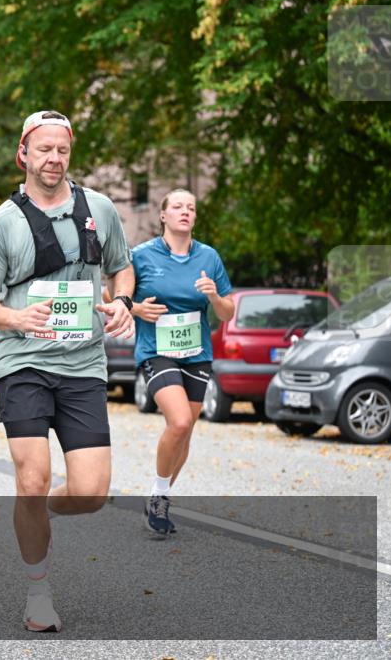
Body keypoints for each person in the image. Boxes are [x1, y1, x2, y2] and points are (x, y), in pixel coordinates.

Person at [0, 110, 135, 632]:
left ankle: (38, 511)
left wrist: (123, 302)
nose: (54, 159)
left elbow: (121, 268)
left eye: (62, 150)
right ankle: (38, 593)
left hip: (83, 364)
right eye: (44, 149)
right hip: (23, 362)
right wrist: (16, 318)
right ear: (23, 153)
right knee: (33, 476)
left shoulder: (99, 208)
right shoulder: (4, 222)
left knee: (91, 493)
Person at [131, 188, 234, 536]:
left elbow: (228, 311)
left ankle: (157, 496)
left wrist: (214, 296)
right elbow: (112, 294)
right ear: (163, 215)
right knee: (178, 422)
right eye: (177, 206)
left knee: (185, 431)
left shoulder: (208, 257)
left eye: (191, 207)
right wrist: (136, 309)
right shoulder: (141, 255)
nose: (185, 212)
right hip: (156, 351)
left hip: (196, 353)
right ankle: (160, 495)